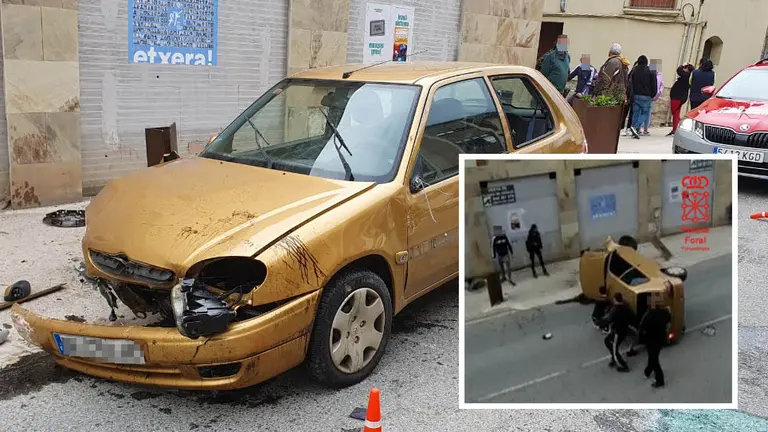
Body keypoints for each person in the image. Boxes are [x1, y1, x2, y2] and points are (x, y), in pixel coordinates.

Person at [638, 294, 671, 388]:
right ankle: (647, 371)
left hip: (652, 340)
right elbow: (668, 320)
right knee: (653, 356)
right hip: (661, 339)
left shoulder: (650, 315)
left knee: (654, 359)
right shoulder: (665, 312)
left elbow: (643, 327)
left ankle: (660, 380)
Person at [598, 292, 634, 372]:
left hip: (618, 331)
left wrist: (600, 323)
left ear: (615, 299)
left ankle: (623, 365)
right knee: (607, 341)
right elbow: (632, 317)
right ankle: (615, 357)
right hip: (624, 328)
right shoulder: (626, 307)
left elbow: (609, 320)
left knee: (615, 349)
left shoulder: (615, 309)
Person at [628, 55, 658, 139]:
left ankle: (634, 128)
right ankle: (636, 127)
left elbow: (630, 82)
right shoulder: (651, 70)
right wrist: (653, 93)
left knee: (636, 113)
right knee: (645, 113)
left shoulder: (634, 70)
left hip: (636, 94)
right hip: (646, 95)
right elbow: (654, 83)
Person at [667, 63, 694, 136]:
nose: (683, 69)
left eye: (685, 68)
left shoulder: (686, 76)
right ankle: (675, 129)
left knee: (675, 113)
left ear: (687, 70)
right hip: (679, 97)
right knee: (676, 113)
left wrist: (682, 65)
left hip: (677, 97)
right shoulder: (686, 77)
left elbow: (679, 70)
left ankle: (676, 129)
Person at [641, 59, 664, 136]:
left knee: (647, 112)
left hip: (652, 96)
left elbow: (661, 87)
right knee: (645, 112)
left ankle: (645, 128)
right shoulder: (651, 74)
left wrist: (657, 95)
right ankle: (641, 128)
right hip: (648, 95)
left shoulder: (659, 75)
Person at [622, 59, 639, 136]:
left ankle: (625, 127)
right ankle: (626, 127)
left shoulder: (632, 73)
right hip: (630, 94)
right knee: (628, 112)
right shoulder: (632, 73)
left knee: (628, 112)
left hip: (631, 94)